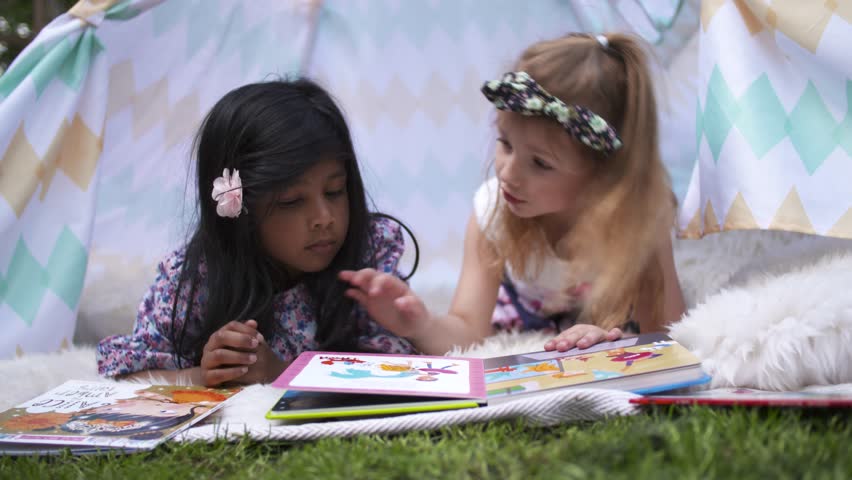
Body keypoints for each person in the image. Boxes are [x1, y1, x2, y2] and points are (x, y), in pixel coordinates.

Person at [341, 33, 686, 355]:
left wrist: (613, 343)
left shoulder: (640, 219)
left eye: (540, 163)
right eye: (505, 143)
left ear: (605, 176)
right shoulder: (494, 210)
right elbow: (467, 330)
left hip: (609, 314)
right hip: (525, 319)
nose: (507, 173)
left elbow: (669, 338)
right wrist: (420, 324)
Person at [97, 78, 419, 386]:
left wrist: (282, 374)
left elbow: (398, 366)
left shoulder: (366, 259)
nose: (324, 218)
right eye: (292, 201)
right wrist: (205, 376)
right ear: (238, 208)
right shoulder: (194, 281)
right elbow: (127, 375)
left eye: (335, 191)